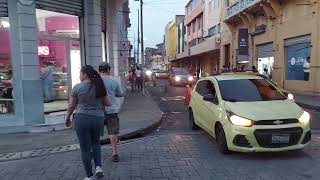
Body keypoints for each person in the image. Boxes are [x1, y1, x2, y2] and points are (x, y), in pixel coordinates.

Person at [65, 65, 111, 180]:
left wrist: (67, 117)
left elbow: (71, 106)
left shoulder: (77, 88)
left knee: (85, 148)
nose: (79, 76)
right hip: (98, 119)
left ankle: (89, 176)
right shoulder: (99, 85)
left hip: (82, 118)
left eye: (80, 73)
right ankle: (98, 167)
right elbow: (108, 103)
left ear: (85, 74)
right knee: (96, 143)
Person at [99, 62, 124, 162]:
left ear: (99, 70)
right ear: (108, 70)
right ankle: (114, 153)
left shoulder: (95, 81)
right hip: (111, 110)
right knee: (112, 132)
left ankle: (93, 151)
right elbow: (120, 94)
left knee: (95, 132)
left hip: (98, 111)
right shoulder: (114, 80)